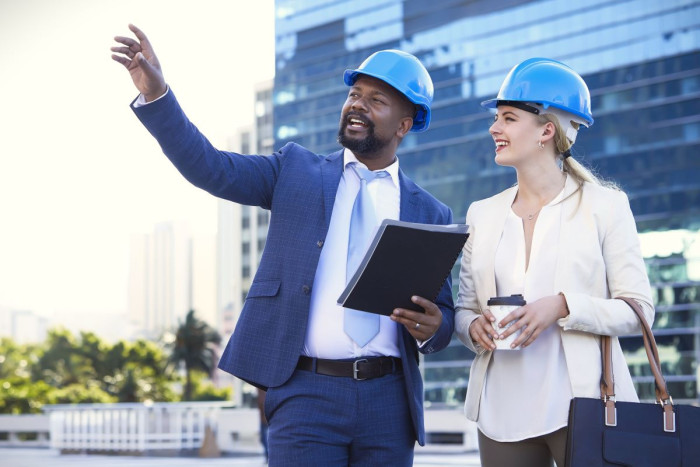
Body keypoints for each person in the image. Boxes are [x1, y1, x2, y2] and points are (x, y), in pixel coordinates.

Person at [111, 24, 455, 466]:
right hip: (306, 394)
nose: (357, 105)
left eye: (376, 100)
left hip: (389, 403)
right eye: (355, 94)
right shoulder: (295, 171)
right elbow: (211, 168)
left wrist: (434, 328)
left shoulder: (430, 213)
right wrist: (158, 97)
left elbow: (442, 316)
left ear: (405, 124)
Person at [454, 57, 654, 467]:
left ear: (547, 130)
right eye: (497, 118)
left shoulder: (606, 206)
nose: (495, 128)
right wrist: (473, 327)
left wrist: (563, 306)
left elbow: (639, 311)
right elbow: (464, 310)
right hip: (501, 413)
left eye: (508, 118)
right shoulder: (482, 214)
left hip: (584, 407)